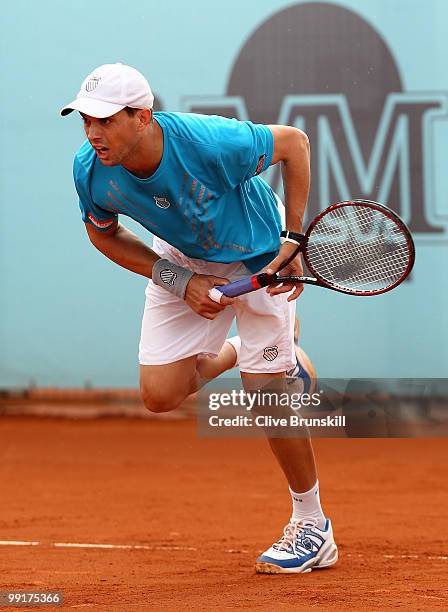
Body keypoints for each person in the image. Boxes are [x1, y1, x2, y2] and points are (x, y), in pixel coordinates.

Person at [61, 62, 338, 574]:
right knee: (160, 395)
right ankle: (251, 351)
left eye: (105, 120)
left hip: (258, 250)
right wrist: (179, 282)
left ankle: (312, 523)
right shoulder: (89, 169)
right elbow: (102, 233)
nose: (93, 133)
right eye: (85, 120)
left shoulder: (209, 142)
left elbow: (294, 144)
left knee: (266, 393)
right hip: (183, 254)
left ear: (142, 117)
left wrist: (294, 238)